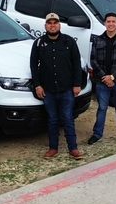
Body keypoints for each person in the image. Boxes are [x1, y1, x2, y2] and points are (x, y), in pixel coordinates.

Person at [30, 12, 85, 159]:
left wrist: (77, 84)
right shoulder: (38, 43)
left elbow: (76, 64)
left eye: (55, 23)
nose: (52, 25)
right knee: (53, 120)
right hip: (48, 91)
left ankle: (73, 148)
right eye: (50, 23)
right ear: (45, 26)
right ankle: (53, 148)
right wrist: (37, 85)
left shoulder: (69, 42)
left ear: (59, 25)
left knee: (68, 118)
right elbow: (33, 66)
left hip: (66, 89)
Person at [87, 12, 116, 146]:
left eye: (113, 21)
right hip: (102, 81)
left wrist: (112, 76)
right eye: (108, 21)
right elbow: (93, 60)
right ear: (105, 23)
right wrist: (104, 77)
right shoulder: (98, 40)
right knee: (102, 108)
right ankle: (97, 134)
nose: (111, 24)